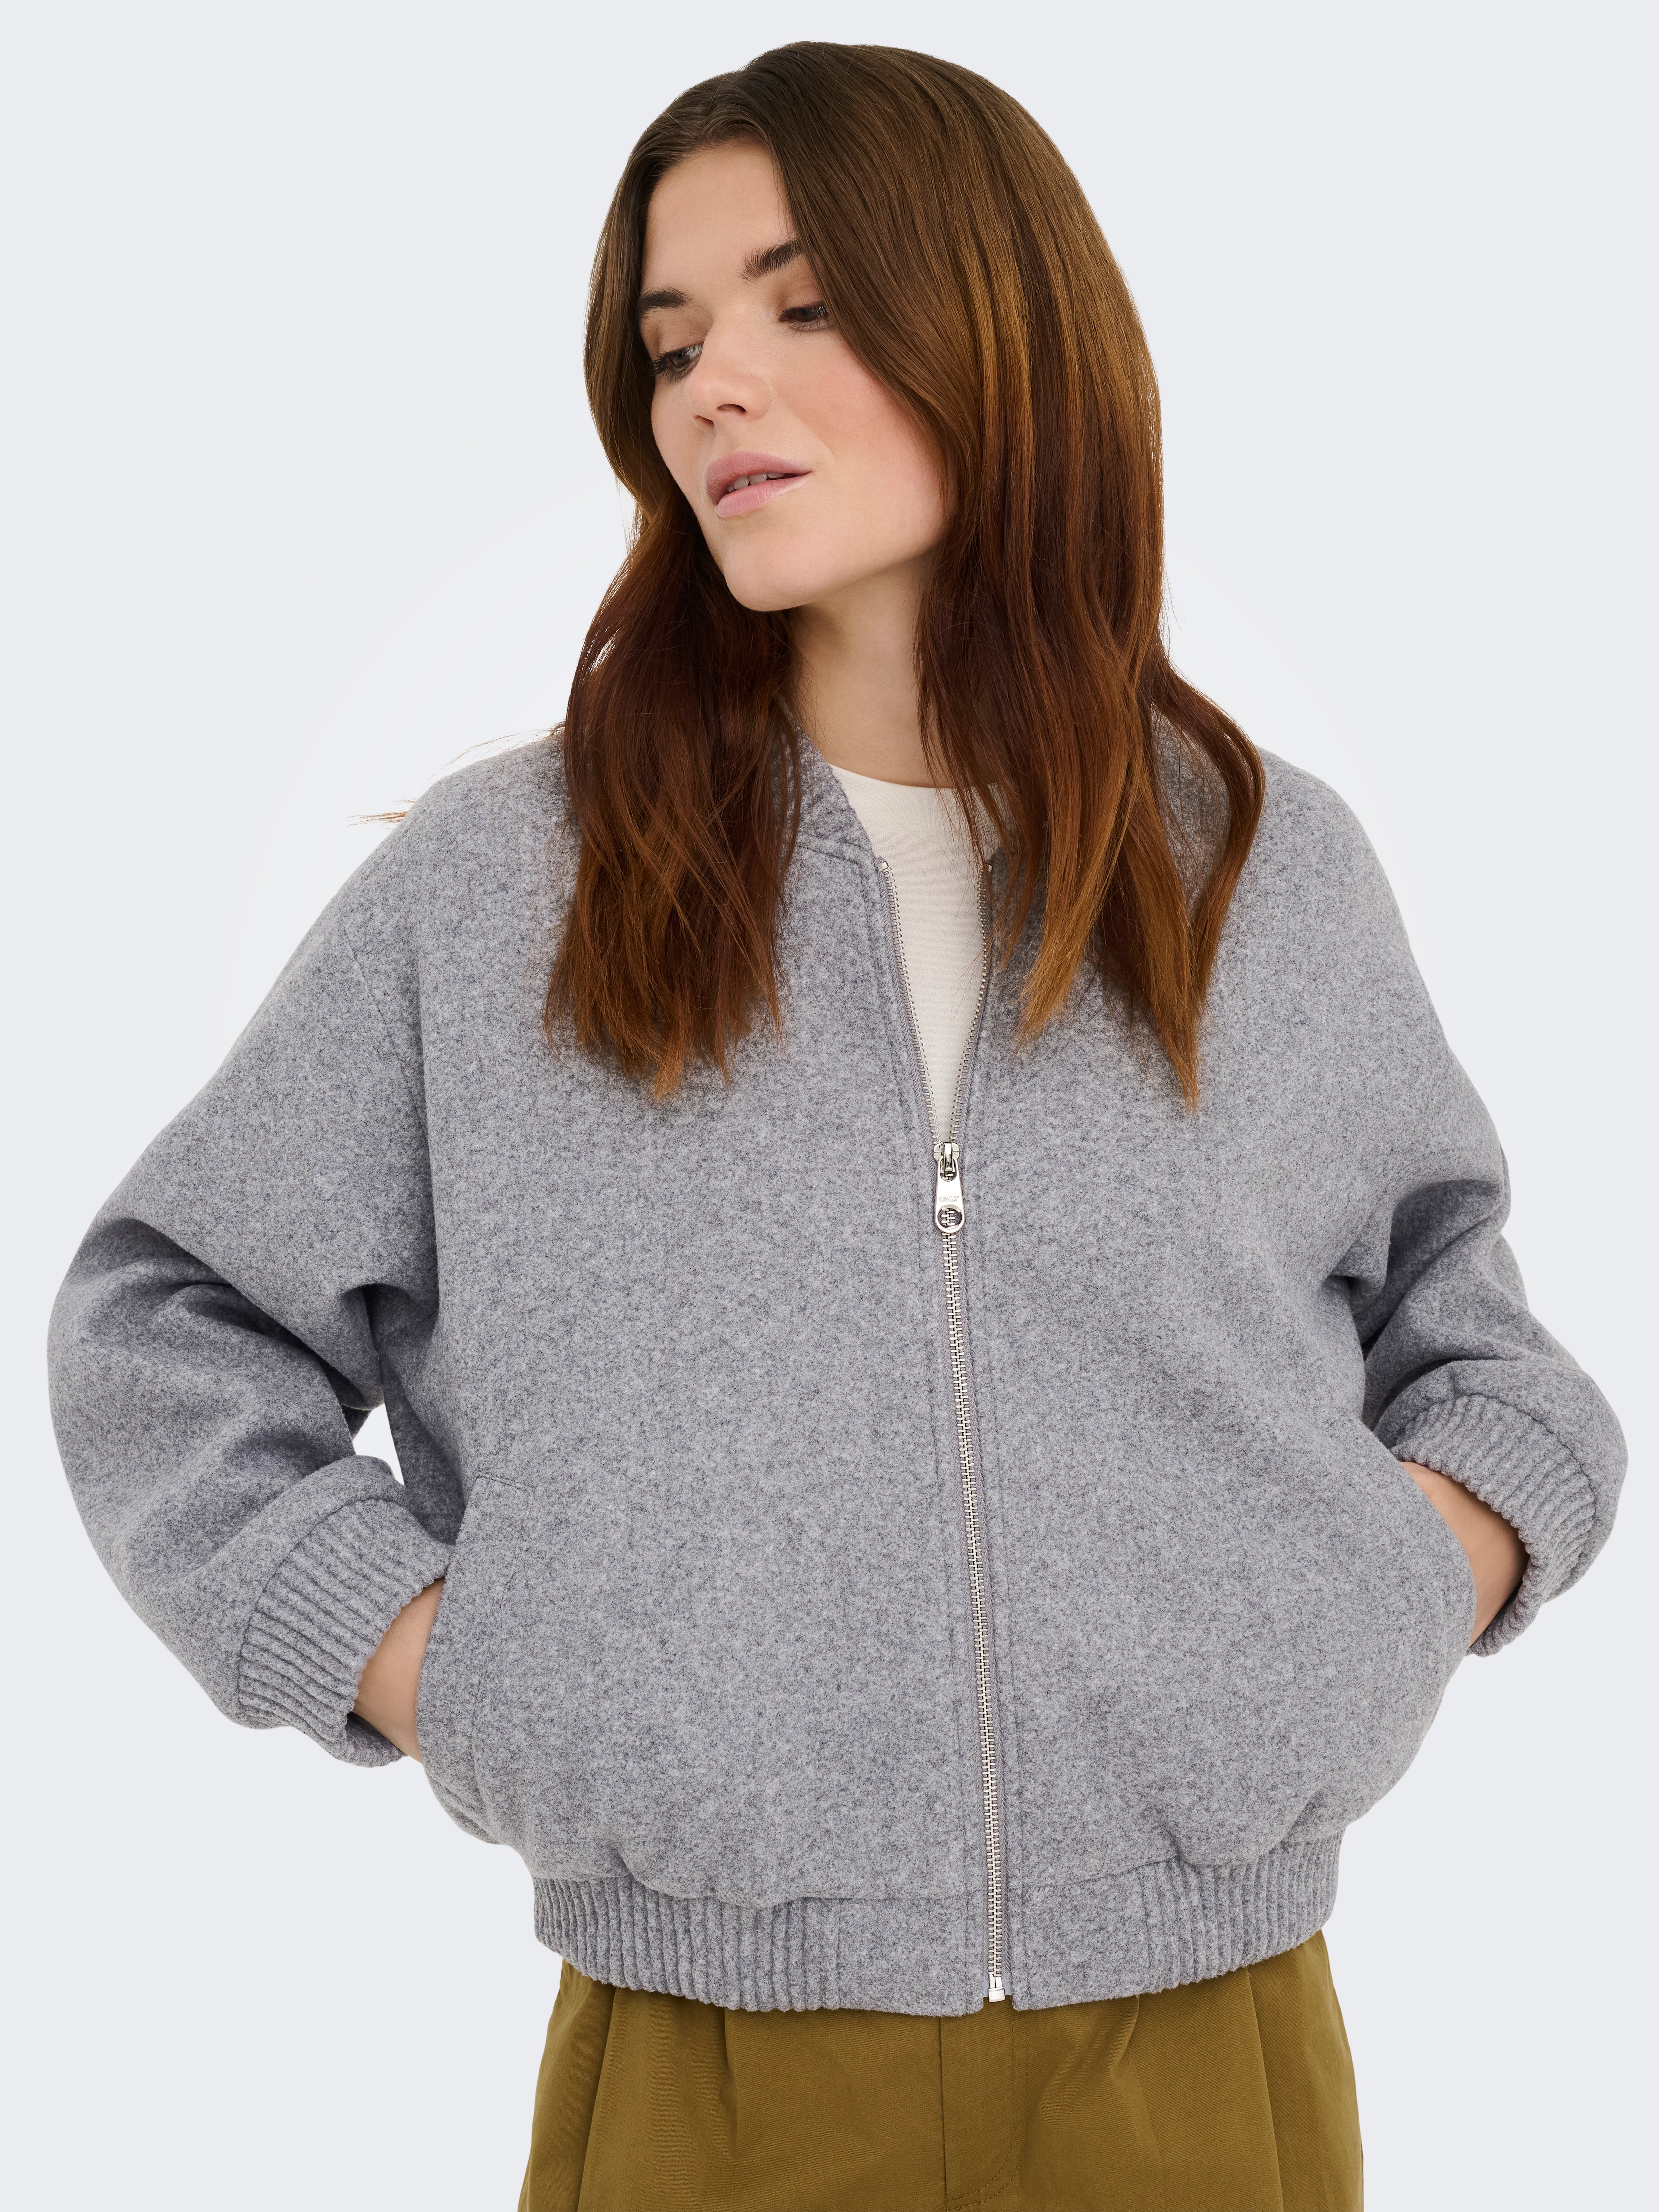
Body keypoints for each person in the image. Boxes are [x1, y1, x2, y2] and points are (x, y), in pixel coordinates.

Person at [48, 41, 1625, 2212]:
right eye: (669, 339)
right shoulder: (511, 888)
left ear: (1003, 324)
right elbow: (164, 1326)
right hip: (706, 2066)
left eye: (799, 305)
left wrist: (1366, 1609)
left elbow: (1478, 1349)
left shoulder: (1255, 868)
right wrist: (459, 1677)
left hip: (1209, 2046)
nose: (712, 385)